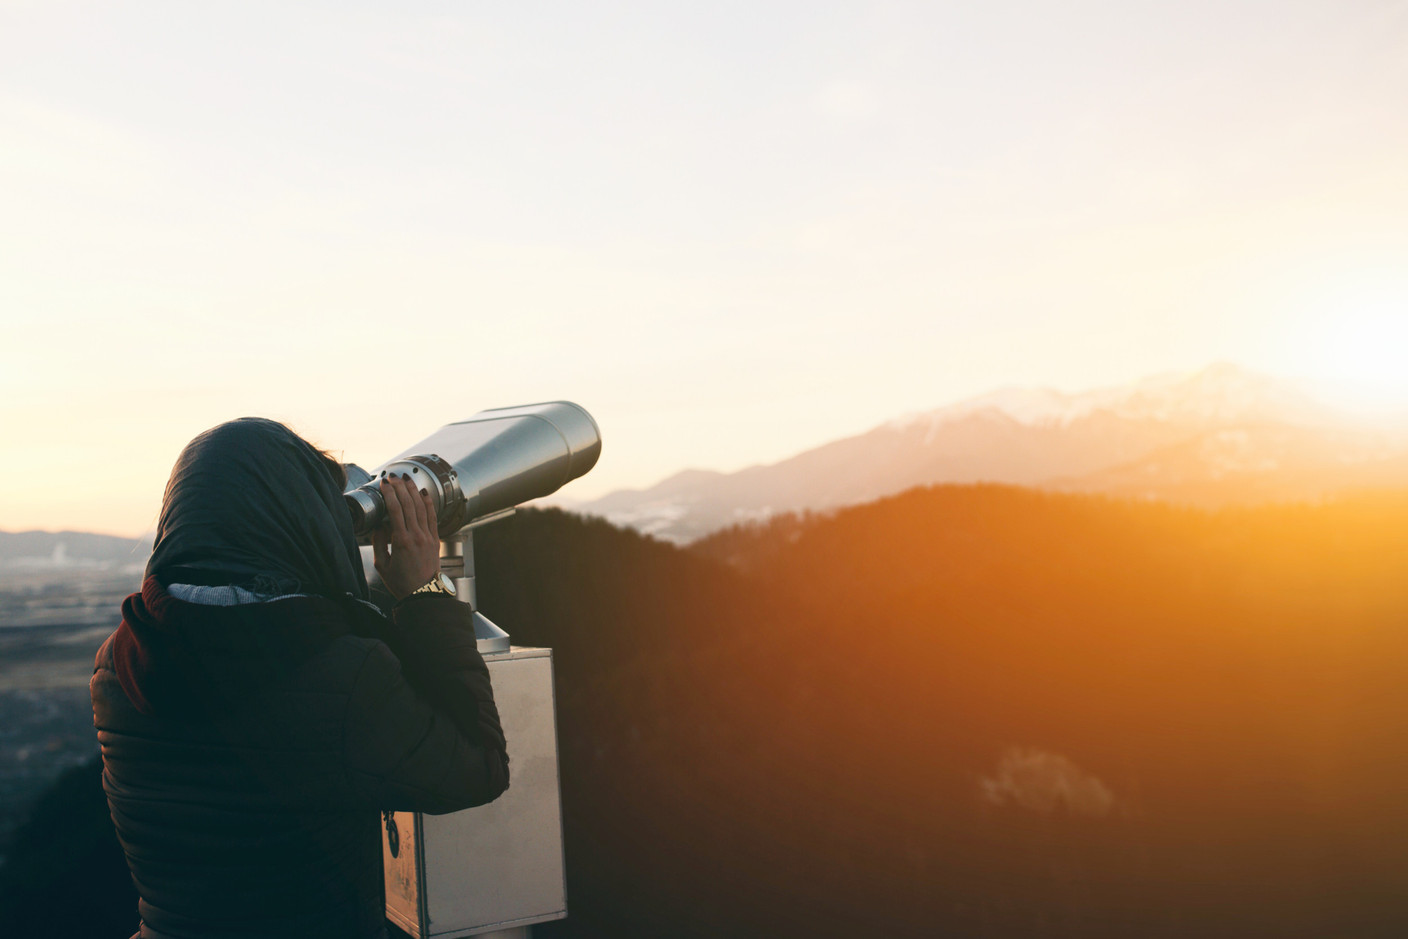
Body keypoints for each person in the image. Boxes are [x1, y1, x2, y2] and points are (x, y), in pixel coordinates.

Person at [90, 418, 510, 939]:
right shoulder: (342, 673)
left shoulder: (117, 664)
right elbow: (479, 768)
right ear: (300, 522)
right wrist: (424, 595)